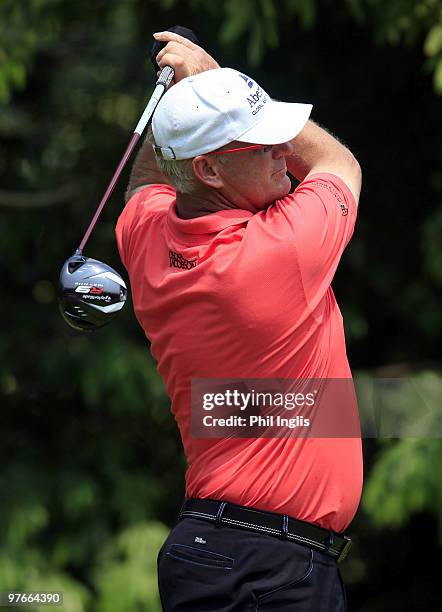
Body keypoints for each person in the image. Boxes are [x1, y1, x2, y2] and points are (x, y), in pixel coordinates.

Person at [116, 30, 362, 612]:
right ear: (209, 171)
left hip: (210, 552)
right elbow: (337, 162)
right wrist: (206, 75)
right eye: (262, 144)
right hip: (270, 567)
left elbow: (145, 186)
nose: (283, 151)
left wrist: (186, 98)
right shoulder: (281, 251)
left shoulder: (146, 237)